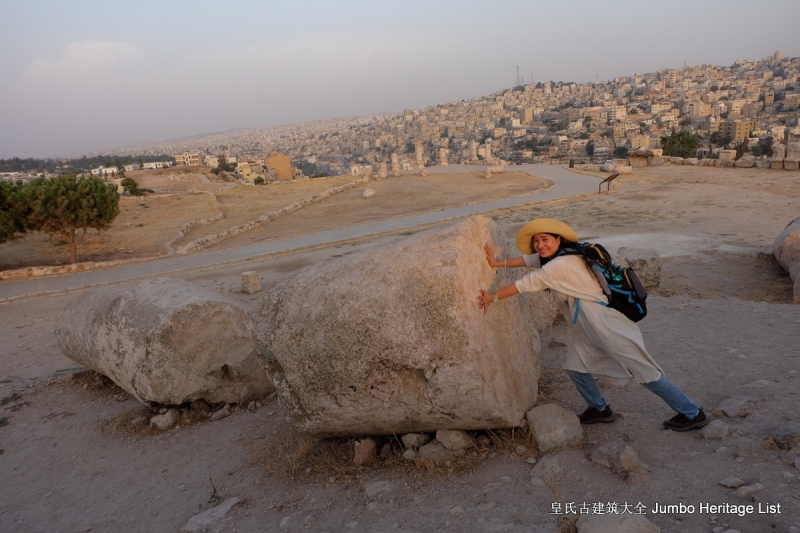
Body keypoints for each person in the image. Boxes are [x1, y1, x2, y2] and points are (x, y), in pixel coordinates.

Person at [476, 218, 709, 432]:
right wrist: (497, 263)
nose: (539, 245)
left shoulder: (559, 265)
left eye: (545, 239)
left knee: (643, 369)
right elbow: (530, 260)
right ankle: (599, 408)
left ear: (558, 239)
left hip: (603, 320)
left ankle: (691, 413)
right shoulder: (564, 254)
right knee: (576, 365)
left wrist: (492, 297)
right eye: (536, 241)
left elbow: (525, 283)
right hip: (584, 321)